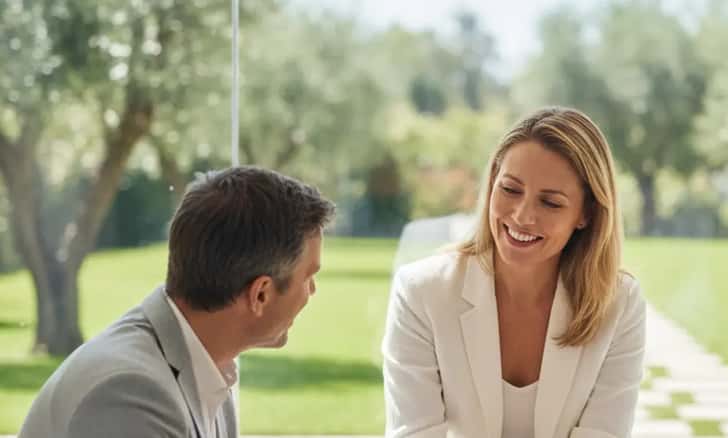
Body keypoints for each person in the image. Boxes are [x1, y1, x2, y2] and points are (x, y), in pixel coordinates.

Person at [382, 107, 646, 438]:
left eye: (550, 203)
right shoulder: (422, 291)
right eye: (510, 189)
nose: (522, 216)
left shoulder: (618, 302)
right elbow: (414, 433)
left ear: (586, 214)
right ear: (492, 183)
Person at [20, 166, 335, 438]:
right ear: (261, 294)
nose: (312, 291)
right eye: (308, 277)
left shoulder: (210, 362)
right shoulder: (132, 393)